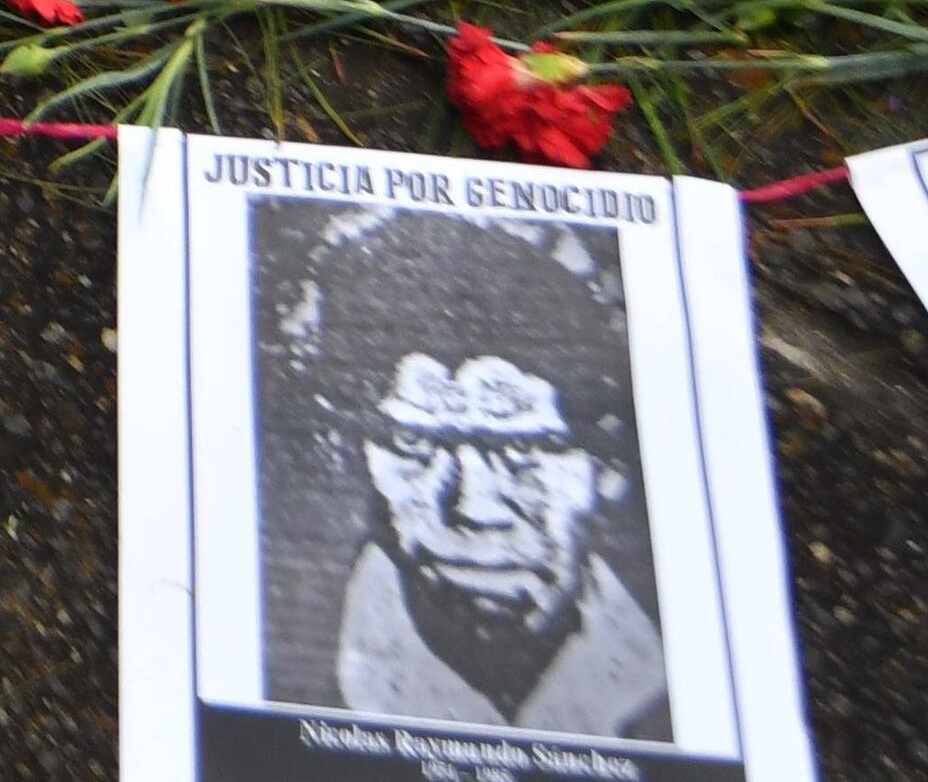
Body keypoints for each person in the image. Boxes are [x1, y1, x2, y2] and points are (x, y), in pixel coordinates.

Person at [281, 213, 671, 742]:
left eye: (524, 448)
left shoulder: (680, 670)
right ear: (353, 452)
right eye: (414, 443)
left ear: (606, 466)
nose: (474, 505)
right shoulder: (286, 665)